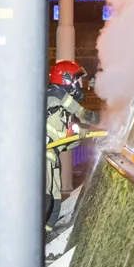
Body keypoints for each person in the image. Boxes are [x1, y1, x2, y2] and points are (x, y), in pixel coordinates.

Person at [45, 60, 95, 221]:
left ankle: (44, 237)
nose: (79, 85)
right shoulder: (56, 97)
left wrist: (76, 135)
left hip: (51, 159)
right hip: (42, 159)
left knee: (54, 204)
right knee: (46, 202)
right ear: (66, 79)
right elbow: (86, 115)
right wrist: (112, 120)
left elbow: (63, 140)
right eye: (76, 80)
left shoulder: (59, 105)